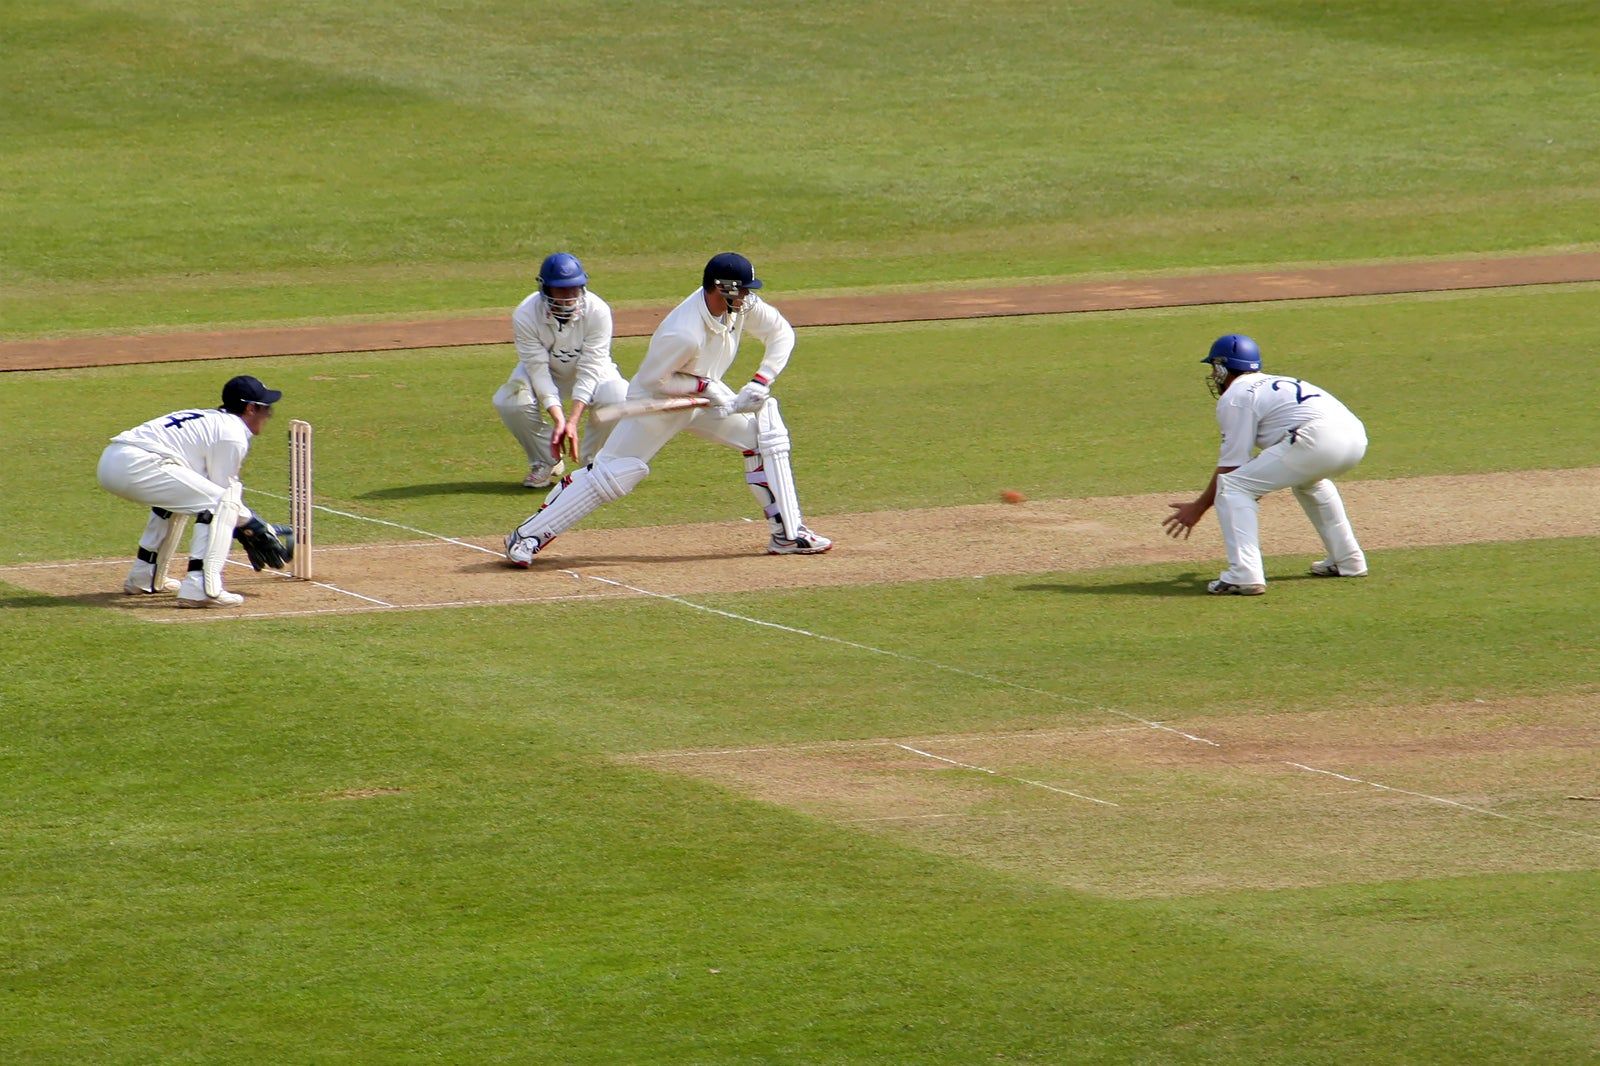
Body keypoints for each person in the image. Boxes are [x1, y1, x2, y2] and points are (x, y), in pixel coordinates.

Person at [505, 252, 832, 565]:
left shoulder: (740, 307)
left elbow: (781, 333)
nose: (747, 296)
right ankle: (526, 537)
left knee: (763, 433)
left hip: (703, 401)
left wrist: (760, 381)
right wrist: (706, 387)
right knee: (614, 474)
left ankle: (788, 534)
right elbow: (653, 379)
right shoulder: (684, 333)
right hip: (657, 405)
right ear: (721, 288)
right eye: (742, 290)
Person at [1162, 334, 1368, 595]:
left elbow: (1232, 466)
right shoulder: (1274, 382)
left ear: (1223, 368)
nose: (1214, 375)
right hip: (1355, 438)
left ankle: (1244, 574)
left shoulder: (1236, 395)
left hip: (1316, 438)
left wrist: (1199, 507)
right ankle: (1348, 559)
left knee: (1234, 487)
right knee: (1309, 483)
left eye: (1215, 368)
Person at [96, 375, 293, 608]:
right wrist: (255, 527)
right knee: (221, 505)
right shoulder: (232, 434)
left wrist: (247, 525)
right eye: (266, 409)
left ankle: (144, 577)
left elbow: (204, 488)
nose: (268, 415)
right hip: (138, 465)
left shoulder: (211, 420)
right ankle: (201, 587)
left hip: (112, 460)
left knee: (184, 501)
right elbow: (224, 495)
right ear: (251, 408)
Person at [491, 252, 629, 488]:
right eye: (561, 290)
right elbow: (537, 369)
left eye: (574, 289)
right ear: (545, 289)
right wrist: (559, 419)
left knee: (619, 394)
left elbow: (591, 367)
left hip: (590, 371)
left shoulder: (598, 311)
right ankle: (547, 459)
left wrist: (573, 420)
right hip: (547, 372)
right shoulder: (525, 313)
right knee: (509, 400)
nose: (568, 297)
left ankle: (593, 464)